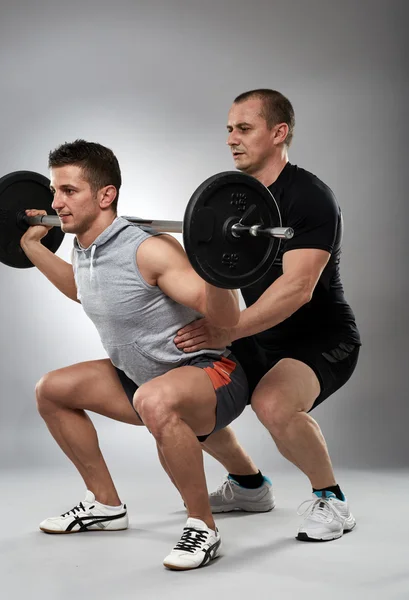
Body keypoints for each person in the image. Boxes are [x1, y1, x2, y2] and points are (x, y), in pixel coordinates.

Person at [19, 139, 249, 570]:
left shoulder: (149, 249)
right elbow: (86, 292)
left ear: (106, 196)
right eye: (55, 191)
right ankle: (106, 505)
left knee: (156, 401)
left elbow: (225, 313)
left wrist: (221, 266)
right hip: (142, 375)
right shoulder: (87, 247)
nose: (56, 202)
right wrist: (32, 247)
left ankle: (202, 525)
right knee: (52, 390)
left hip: (210, 375)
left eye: (69, 191)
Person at [174, 89, 361, 542]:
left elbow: (297, 288)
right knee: (185, 394)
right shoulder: (235, 199)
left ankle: (332, 501)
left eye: (244, 128)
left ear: (278, 133)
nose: (231, 139)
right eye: (229, 130)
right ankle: (250, 486)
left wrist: (227, 328)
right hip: (258, 335)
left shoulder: (310, 197)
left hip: (320, 337)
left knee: (273, 403)